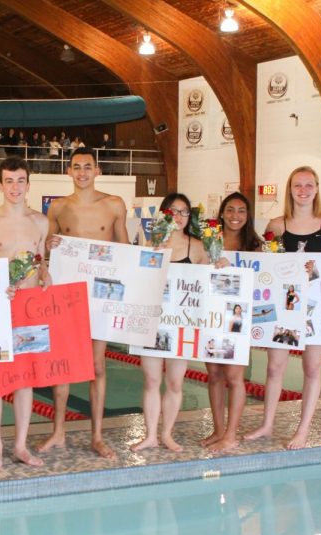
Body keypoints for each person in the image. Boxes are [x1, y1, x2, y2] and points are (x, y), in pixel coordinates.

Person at [246, 166, 321, 449]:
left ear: (316, 188)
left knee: (313, 368)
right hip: (286, 304)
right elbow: (262, 264)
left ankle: (302, 430)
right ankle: (267, 424)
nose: (303, 191)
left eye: (308, 185)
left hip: (317, 308)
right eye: (297, 186)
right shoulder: (277, 225)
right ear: (290, 190)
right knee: (275, 367)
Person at [39, 148, 129, 458]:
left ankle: (97, 436)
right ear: (68, 171)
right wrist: (48, 245)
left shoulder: (114, 204)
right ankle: (59, 432)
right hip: (68, 293)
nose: (82, 172)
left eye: (87, 167)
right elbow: (45, 253)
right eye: (76, 167)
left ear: (97, 170)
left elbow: (124, 249)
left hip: (102, 294)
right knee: (63, 366)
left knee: (96, 366)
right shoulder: (58, 208)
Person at [0, 157, 49, 470]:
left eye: (20, 180)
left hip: (30, 309)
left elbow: (41, 258)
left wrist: (45, 273)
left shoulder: (41, 222)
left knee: (25, 380)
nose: (15, 187)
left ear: (28, 184)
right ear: (0, 185)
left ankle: (19, 445)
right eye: (9, 181)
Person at [132, 193, 208, 453]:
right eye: (173, 211)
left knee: (175, 382)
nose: (179, 216)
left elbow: (206, 287)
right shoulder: (151, 244)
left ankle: (166, 434)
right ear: (164, 213)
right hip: (153, 323)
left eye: (184, 212)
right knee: (152, 381)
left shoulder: (196, 247)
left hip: (181, 324)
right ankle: (150, 434)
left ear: (189, 217)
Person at [201, 192, 261, 452]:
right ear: (222, 213)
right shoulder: (208, 242)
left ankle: (231, 434)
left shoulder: (256, 247)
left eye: (241, 211)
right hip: (212, 315)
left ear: (248, 216)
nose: (235, 216)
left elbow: (263, 283)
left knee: (234, 377)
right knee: (214, 375)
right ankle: (218, 429)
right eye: (230, 210)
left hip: (238, 318)